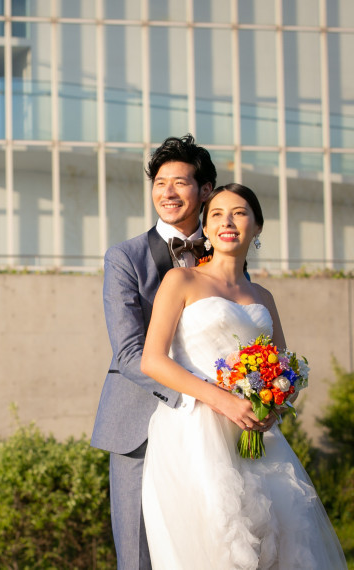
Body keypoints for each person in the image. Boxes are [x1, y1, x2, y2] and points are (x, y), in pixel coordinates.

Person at [139, 183, 346, 569]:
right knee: (218, 548)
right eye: (216, 214)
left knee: (278, 549)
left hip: (257, 437)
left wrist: (274, 404)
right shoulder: (181, 281)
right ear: (206, 227)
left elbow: (289, 371)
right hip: (194, 434)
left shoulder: (263, 296)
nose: (227, 222)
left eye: (239, 213)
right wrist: (223, 400)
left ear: (258, 227)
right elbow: (152, 360)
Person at [90, 134, 218, 569]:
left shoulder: (224, 255)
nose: (166, 193)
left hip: (216, 432)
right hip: (138, 427)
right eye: (159, 182)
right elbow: (129, 353)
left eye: (179, 183)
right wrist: (203, 396)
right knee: (141, 558)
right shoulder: (124, 257)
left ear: (204, 192)